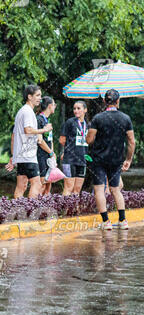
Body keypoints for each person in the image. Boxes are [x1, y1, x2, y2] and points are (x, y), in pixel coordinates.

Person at [86, 89, 135, 230]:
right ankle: (122, 220)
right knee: (115, 189)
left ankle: (106, 222)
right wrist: (128, 159)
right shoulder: (125, 118)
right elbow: (131, 141)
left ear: (104, 101)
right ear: (118, 101)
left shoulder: (97, 118)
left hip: (99, 160)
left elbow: (89, 140)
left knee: (99, 189)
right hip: (116, 159)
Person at [5, 85, 53, 198]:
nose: (40, 98)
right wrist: (44, 130)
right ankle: (30, 213)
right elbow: (28, 130)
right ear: (29, 96)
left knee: (21, 186)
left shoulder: (22, 111)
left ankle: (18, 212)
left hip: (22, 155)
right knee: (36, 184)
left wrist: (14, 156)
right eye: (37, 95)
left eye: (40, 96)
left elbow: (14, 136)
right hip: (28, 155)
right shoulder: (27, 111)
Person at [59, 100, 89, 195]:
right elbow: (62, 140)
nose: (76, 111)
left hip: (82, 160)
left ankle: (74, 209)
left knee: (77, 190)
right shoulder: (70, 122)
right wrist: (68, 150)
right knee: (68, 188)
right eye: (74, 108)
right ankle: (64, 210)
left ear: (85, 110)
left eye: (78, 108)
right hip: (70, 159)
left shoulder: (88, 125)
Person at [36, 96, 57, 195]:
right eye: (54, 105)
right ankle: (34, 207)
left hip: (48, 155)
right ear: (49, 106)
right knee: (42, 184)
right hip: (41, 155)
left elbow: (50, 139)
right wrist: (51, 152)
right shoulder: (39, 119)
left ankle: (46, 208)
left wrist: (52, 154)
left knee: (49, 183)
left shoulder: (47, 120)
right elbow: (40, 141)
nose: (55, 107)